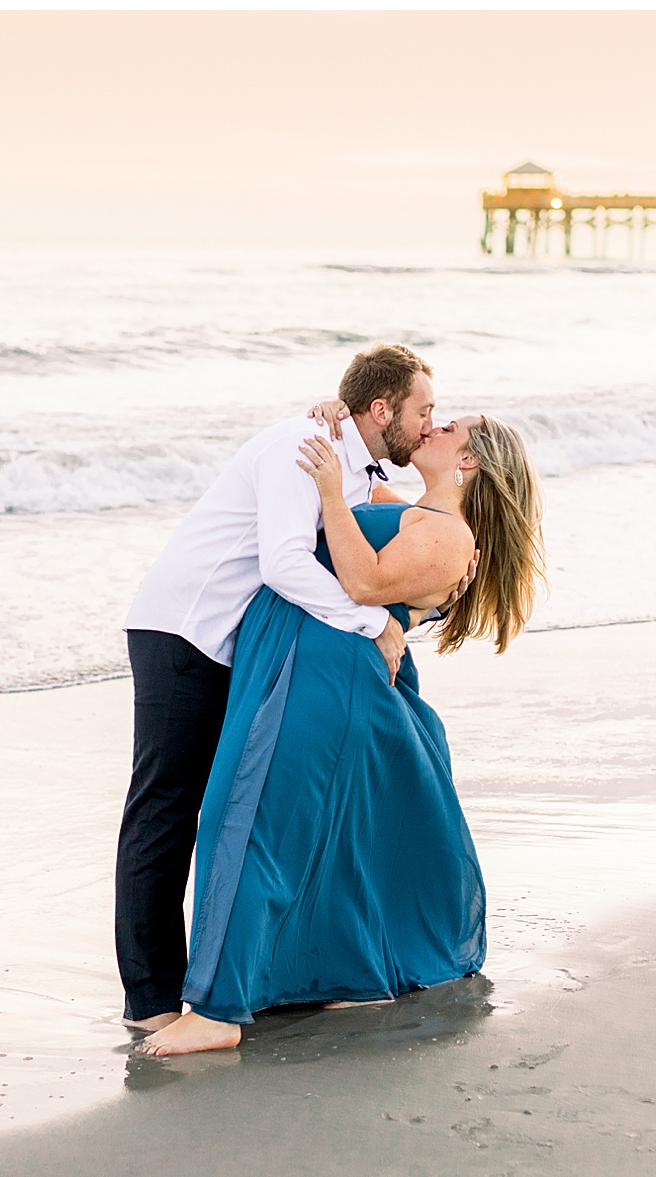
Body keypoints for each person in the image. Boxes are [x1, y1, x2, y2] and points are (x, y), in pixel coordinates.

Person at [139, 411, 544, 1056]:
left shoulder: (446, 534)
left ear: (468, 462)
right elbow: (364, 470)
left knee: (252, 820)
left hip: (327, 673)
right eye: (429, 417)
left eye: (448, 431)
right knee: (303, 832)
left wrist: (328, 489)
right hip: (309, 662)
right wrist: (337, 423)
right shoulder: (416, 510)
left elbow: (362, 582)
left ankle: (220, 1012)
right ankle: (336, 972)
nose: (432, 430)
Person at [114, 344, 456, 1032]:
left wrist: (431, 596)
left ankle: (232, 977)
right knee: (165, 813)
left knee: (223, 809)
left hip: (234, 647)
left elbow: (404, 544)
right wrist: (370, 626)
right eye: (423, 410)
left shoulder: (353, 469)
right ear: (382, 408)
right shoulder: (309, 444)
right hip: (186, 632)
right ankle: (150, 1003)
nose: (429, 425)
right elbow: (283, 563)